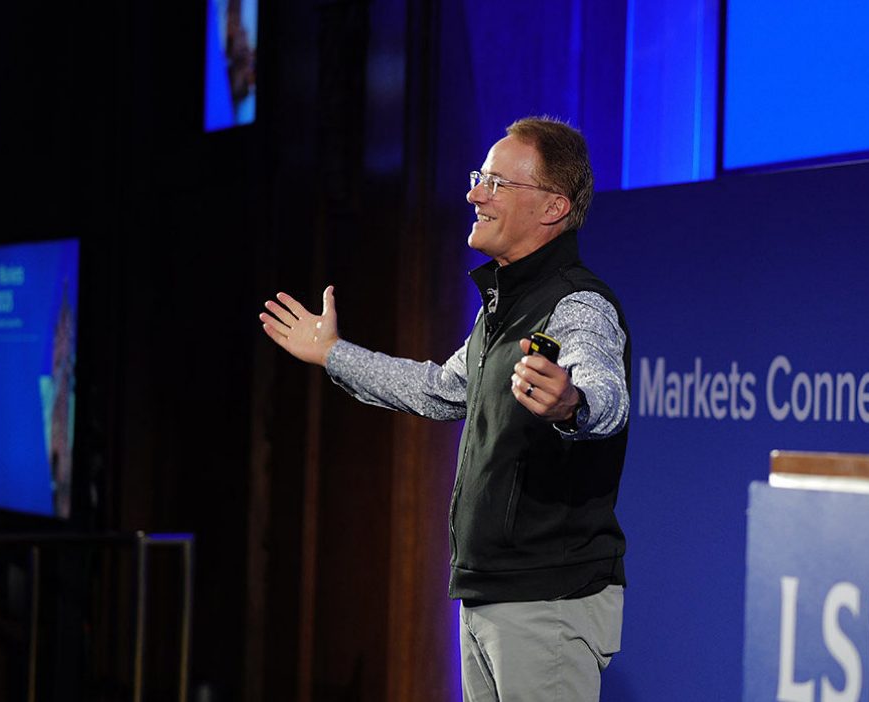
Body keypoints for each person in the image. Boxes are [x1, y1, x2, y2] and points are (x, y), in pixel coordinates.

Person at [259, 116, 631, 701]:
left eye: (497, 183)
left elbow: (604, 394)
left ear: (553, 208)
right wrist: (333, 354)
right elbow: (440, 390)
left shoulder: (576, 304)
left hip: (545, 600)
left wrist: (572, 403)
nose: (474, 193)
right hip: (490, 595)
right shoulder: (502, 311)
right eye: (480, 177)